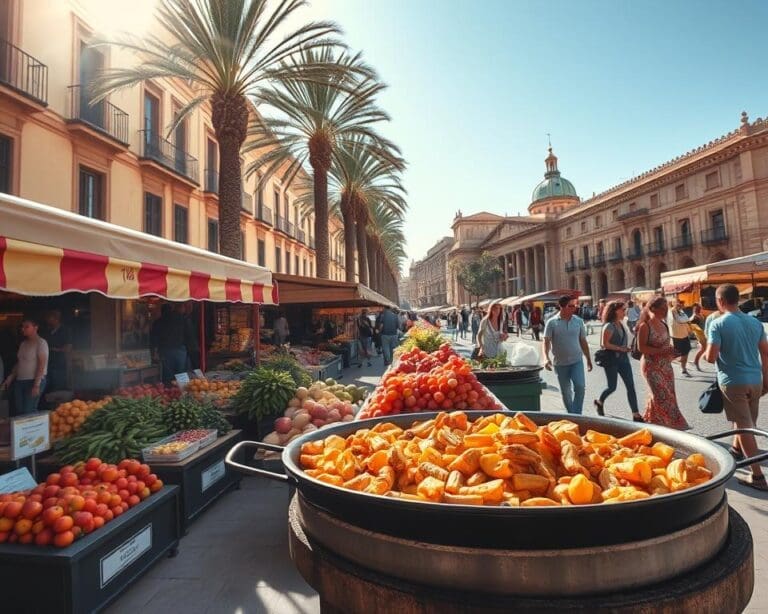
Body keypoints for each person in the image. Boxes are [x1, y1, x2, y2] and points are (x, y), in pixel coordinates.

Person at [705, 284, 768, 491]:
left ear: (720, 301)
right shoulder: (755, 322)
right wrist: (766, 378)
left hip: (733, 382)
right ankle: (736, 449)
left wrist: (707, 350)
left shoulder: (718, 324)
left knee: (743, 426)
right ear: (737, 299)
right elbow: (766, 353)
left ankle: (757, 476)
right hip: (755, 380)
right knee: (748, 423)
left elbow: (711, 356)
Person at [636, 297, 689, 429]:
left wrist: (671, 352)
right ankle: (667, 424)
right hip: (651, 365)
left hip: (665, 365)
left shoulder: (664, 325)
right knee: (659, 394)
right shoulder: (645, 326)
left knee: (669, 394)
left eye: (666, 308)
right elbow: (641, 348)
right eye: (663, 308)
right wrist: (661, 351)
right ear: (653, 308)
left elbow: (667, 345)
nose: (666, 311)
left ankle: (654, 422)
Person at [543, 296, 593, 415]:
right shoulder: (552, 322)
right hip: (560, 364)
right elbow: (546, 342)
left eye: (575, 306)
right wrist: (546, 358)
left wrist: (588, 359)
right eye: (571, 306)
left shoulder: (578, 321)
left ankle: (577, 415)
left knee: (580, 387)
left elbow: (583, 341)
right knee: (566, 392)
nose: (574, 308)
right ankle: (572, 415)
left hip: (576, 361)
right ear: (562, 307)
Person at [594, 301, 642, 422]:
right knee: (612, 387)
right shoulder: (609, 326)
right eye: (623, 310)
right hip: (612, 360)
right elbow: (604, 344)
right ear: (615, 311)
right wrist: (621, 348)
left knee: (630, 386)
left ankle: (636, 414)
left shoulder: (622, 323)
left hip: (624, 360)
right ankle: (600, 402)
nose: (625, 312)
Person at [1, 316, 49, 415]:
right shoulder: (23, 344)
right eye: (22, 327)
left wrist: (36, 384)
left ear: (35, 327)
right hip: (20, 381)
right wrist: (10, 377)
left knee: (29, 410)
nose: (23, 329)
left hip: (33, 380)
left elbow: (41, 364)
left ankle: (35, 429)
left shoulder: (41, 343)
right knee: (20, 410)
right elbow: (20, 362)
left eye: (26, 327)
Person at [151, 304, 191, 384]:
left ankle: (169, 391)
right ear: (171, 309)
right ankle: (183, 391)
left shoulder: (158, 322)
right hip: (180, 349)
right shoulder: (181, 319)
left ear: (162, 311)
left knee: (168, 374)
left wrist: (155, 352)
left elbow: (154, 338)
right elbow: (188, 334)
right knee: (181, 373)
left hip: (165, 350)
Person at [44, 310, 72, 392]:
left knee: (58, 387)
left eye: (50, 318)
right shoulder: (48, 331)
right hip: (47, 364)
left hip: (59, 363)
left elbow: (68, 347)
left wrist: (55, 349)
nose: (48, 320)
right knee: (48, 389)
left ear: (56, 319)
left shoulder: (65, 330)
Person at [668, 299, 692, 376]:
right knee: (673, 355)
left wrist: (689, 330)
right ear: (673, 303)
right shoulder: (671, 311)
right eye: (678, 303)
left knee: (685, 353)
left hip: (684, 335)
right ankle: (666, 367)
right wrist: (685, 320)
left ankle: (683, 369)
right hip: (675, 337)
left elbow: (686, 320)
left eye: (680, 303)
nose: (680, 304)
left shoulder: (681, 311)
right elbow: (680, 320)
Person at [689, 303, 707, 370]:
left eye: (699, 307)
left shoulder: (700, 315)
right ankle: (696, 362)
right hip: (700, 334)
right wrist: (693, 331)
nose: (698, 309)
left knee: (703, 349)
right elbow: (689, 323)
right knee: (704, 348)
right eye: (696, 308)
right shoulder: (694, 316)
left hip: (703, 333)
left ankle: (695, 362)